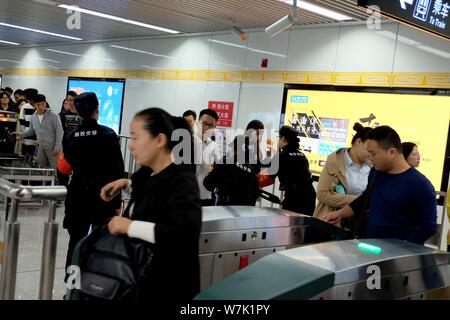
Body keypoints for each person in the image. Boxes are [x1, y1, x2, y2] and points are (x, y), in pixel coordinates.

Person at [99, 107, 201, 300]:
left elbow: (184, 232)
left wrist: (130, 226)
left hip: (168, 286)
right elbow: (149, 190)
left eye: (136, 137)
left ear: (160, 140)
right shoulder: (147, 173)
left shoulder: (183, 180)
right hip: (138, 280)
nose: (130, 145)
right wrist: (125, 183)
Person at [322, 126, 437, 245]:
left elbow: (428, 227)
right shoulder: (376, 173)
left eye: (373, 154)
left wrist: (403, 248)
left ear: (391, 152)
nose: (370, 158)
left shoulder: (421, 185)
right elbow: (365, 200)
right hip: (371, 247)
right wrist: (340, 213)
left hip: (400, 257)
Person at [61, 92, 125, 273]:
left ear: (78, 112)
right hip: (103, 196)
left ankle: (72, 283)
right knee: (101, 240)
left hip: (78, 195)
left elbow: (66, 165)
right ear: (97, 109)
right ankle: (95, 281)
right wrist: (116, 202)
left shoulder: (71, 136)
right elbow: (117, 171)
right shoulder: (108, 134)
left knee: (75, 241)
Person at [313, 123, 372, 221]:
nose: (372, 153)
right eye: (369, 149)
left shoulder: (373, 166)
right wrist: (360, 201)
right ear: (359, 142)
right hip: (333, 223)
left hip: (360, 224)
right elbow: (323, 194)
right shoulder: (335, 161)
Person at [270, 125, 316, 215]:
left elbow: (268, 178)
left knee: (289, 227)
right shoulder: (302, 155)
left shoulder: (281, 156)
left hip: (295, 200)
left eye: (278, 137)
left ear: (282, 138)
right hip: (309, 197)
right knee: (303, 227)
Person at [204, 135, 260, 206]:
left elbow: (208, 184)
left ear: (235, 148)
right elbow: (255, 194)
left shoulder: (226, 161)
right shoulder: (251, 170)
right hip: (246, 211)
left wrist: (210, 171)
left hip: (226, 209)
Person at [16, 94, 63, 170]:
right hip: (41, 147)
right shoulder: (33, 117)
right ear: (34, 105)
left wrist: (57, 146)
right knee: (41, 170)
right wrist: (21, 134)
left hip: (53, 148)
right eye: (38, 105)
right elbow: (32, 131)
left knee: (55, 170)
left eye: (43, 104)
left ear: (45, 103)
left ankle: (55, 182)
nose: (41, 107)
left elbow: (59, 131)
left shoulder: (53, 115)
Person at [196, 108, 222, 206]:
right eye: (204, 123)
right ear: (198, 123)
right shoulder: (188, 141)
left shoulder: (214, 146)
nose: (207, 128)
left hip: (207, 195)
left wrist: (213, 170)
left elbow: (219, 169)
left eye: (211, 125)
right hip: (188, 194)